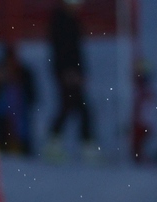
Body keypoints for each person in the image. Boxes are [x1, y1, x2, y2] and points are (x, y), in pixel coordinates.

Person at [47, 0, 95, 158]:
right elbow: (62, 49)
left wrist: (80, 72)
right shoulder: (60, 20)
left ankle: (59, 143)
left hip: (72, 72)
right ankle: (56, 145)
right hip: (67, 72)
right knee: (73, 107)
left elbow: (76, 50)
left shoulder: (72, 20)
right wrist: (68, 71)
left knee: (74, 107)